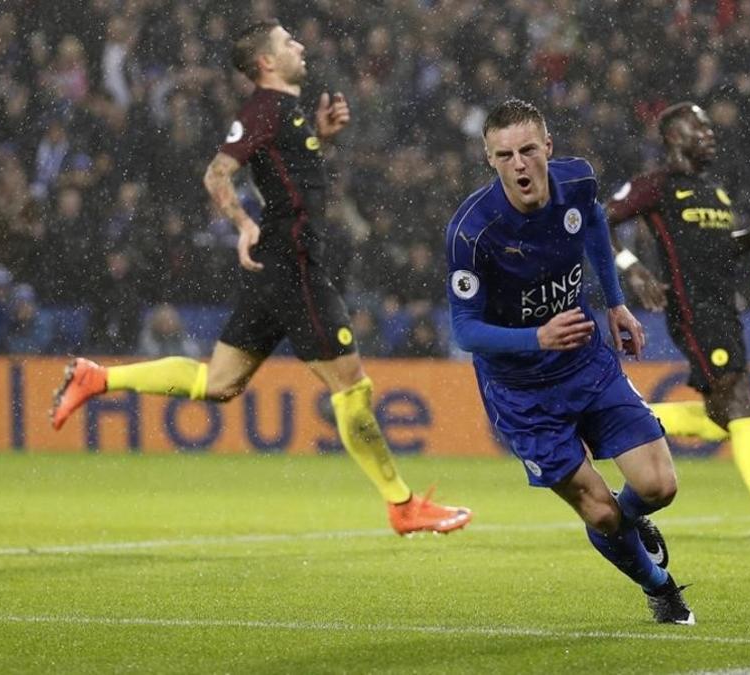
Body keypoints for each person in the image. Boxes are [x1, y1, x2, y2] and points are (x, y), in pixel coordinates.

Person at [49, 20, 470, 537]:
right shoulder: (263, 110)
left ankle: (100, 378)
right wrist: (244, 223)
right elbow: (216, 174)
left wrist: (321, 138)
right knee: (351, 385)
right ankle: (402, 504)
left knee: (219, 382)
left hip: (282, 264)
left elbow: (285, 175)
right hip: (292, 263)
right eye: (287, 41)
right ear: (267, 62)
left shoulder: (286, 114)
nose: (299, 45)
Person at [446, 99, 693, 624]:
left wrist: (616, 301)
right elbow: (464, 330)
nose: (519, 164)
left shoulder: (578, 181)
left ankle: (630, 526)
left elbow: (597, 225)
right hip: (521, 393)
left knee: (659, 487)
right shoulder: (472, 232)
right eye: (505, 154)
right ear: (490, 159)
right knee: (602, 513)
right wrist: (539, 335)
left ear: (548, 148)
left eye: (528, 150)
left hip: (585, 364)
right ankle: (663, 591)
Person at [605, 102, 750, 539]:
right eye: (698, 127)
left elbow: (723, 249)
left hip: (725, 310)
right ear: (672, 136)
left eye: (709, 127)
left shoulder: (715, 191)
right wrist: (633, 267)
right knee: (740, 402)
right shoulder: (657, 186)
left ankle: (627, 419)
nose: (709, 134)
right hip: (693, 311)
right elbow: (597, 219)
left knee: (722, 418)